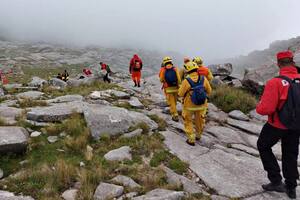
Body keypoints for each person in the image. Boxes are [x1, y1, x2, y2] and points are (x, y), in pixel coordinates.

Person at [256, 50, 300, 199]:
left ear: (279, 64)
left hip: (277, 125)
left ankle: (276, 180)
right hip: (296, 126)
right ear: (293, 62)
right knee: (291, 154)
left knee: (263, 145)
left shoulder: (275, 82)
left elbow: (265, 109)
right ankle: (291, 187)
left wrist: (258, 106)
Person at [178, 61, 212, 146]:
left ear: (188, 71)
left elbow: (180, 94)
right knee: (199, 121)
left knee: (188, 121)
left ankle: (191, 139)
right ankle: (198, 135)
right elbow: (209, 91)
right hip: (201, 105)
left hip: (189, 106)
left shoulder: (186, 81)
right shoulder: (203, 79)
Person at [159, 57, 182, 122]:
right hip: (175, 88)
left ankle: (175, 115)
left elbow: (161, 80)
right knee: (174, 102)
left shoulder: (163, 70)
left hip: (168, 89)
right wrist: (179, 85)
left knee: (171, 103)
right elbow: (179, 79)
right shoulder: (175, 69)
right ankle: (174, 111)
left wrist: (164, 81)